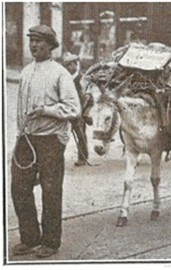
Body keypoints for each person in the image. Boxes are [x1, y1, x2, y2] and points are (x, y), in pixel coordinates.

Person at [11, 25, 81, 258]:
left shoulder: (59, 73)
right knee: (19, 188)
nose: (33, 45)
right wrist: (21, 132)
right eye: (31, 41)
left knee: (51, 191)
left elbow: (74, 108)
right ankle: (30, 238)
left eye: (39, 41)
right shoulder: (26, 71)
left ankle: (50, 242)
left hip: (50, 140)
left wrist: (46, 110)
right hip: (27, 138)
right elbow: (21, 108)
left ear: (50, 45)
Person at [62, 53, 92, 166]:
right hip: (66, 111)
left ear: (75, 65)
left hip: (78, 112)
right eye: (66, 66)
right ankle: (58, 157)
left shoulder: (81, 79)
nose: (68, 68)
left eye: (70, 65)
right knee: (62, 134)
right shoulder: (65, 79)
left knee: (81, 135)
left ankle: (83, 157)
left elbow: (89, 98)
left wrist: (85, 111)